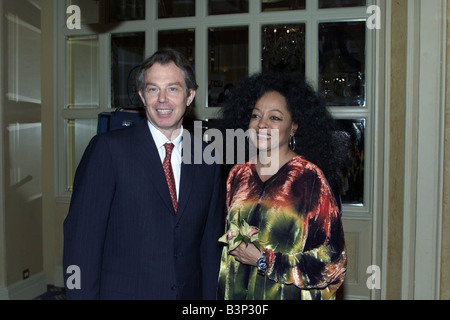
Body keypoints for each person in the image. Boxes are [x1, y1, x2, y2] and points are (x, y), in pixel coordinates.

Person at [63, 49, 224, 300]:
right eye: (152, 89)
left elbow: (209, 249)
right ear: (141, 96)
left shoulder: (207, 158)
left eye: (173, 89)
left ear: (190, 95)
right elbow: (81, 244)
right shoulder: (108, 150)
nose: (162, 99)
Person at [217, 72, 348, 300]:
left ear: (294, 126)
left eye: (275, 118)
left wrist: (265, 261)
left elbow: (333, 261)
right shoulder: (238, 175)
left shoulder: (310, 180)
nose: (262, 124)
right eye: (256, 115)